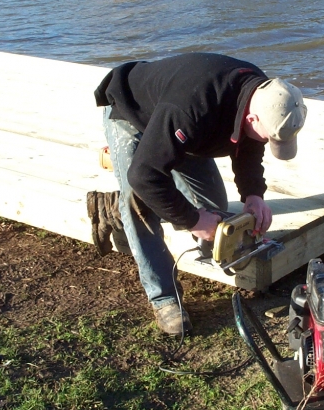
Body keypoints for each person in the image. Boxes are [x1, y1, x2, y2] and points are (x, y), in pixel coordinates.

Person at [92, 53, 307, 335]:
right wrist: (192, 221)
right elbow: (145, 176)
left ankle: (128, 207)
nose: (267, 142)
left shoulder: (266, 94)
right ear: (252, 117)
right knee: (139, 200)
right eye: (269, 136)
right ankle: (164, 297)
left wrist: (253, 194)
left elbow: (251, 144)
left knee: (213, 207)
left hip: (187, 128)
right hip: (132, 111)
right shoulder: (191, 109)